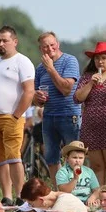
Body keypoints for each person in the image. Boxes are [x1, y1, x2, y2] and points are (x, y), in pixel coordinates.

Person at [0, 25, 35, 206]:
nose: (1, 43)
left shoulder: (22, 61)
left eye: (5, 40)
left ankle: (21, 196)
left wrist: (16, 115)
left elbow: (29, 91)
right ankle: (7, 196)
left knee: (13, 157)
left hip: (11, 116)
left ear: (15, 42)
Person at [74, 41, 106, 191]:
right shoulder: (87, 77)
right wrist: (90, 84)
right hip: (91, 126)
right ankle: (99, 200)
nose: (100, 61)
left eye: (103, 58)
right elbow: (77, 98)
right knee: (97, 166)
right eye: (96, 58)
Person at [33, 31, 81, 179]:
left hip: (69, 115)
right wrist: (38, 98)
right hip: (48, 117)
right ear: (41, 49)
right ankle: (59, 191)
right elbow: (35, 100)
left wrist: (51, 69)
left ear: (57, 44)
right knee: (51, 159)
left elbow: (66, 89)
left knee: (74, 158)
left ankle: (77, 192)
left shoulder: (69, 61)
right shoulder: (40, 69)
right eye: (45, 47)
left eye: (52, 45)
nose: (49, 48)